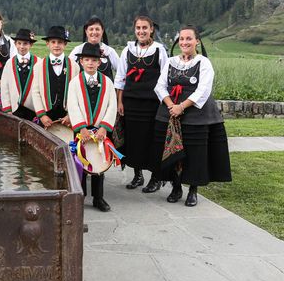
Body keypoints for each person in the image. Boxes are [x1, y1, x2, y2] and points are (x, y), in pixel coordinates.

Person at [151, 26, 231, 206]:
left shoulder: (204, 63)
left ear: (197, 41)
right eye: (181, 39)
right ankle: (176, 187)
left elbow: (203, 90)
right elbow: (160, 86)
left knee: (194, 152)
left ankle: (193, 189)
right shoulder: (171, 62)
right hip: (170, 111)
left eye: (189, 39)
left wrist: (182, 107)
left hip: (196, 113)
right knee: (171, 149)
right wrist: (172, 105)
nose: (184, 42)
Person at [115, 15, 168, 193]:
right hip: (131, 103)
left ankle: (155, 177)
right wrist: (120, 102)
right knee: (133, 140)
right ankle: (138, 175)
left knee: (152, 140)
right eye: (138, 28)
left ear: (151, 29)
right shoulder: (127, 50)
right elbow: (120, 78)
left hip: (152, 104)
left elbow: (165, 79)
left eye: (145, 28)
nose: (141, 31)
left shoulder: (160, 50)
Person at [67, 43, 117, 212]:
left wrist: (104, 127)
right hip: (82, 130)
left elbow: (112, 105)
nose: (90, 63)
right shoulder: (74, 83)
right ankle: (80, 196)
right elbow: (72, 106)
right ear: (81, 61)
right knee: (80, 162)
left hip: (99, 129)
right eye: (87, 59)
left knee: (99, 161)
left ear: (99, 63)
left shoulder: (107, 82)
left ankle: (98, 197)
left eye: (94, 60)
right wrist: (81, 128)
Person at [32, 26, 80, 127]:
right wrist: (42, 115)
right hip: (46, 114)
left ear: (65, 44)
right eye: (53, 42)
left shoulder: (74, 66)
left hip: (67, 116)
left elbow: (77, 94)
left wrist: (70, 115)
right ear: (47, 44)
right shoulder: (39, 66)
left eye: (60, 42)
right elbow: (35, 92)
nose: (56, 45)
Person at [0, 28, 38, 120]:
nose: (22, 46)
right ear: (15, 44)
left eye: (25, 44)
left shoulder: (38, 63)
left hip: (33, 108)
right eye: (19, 43)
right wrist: (7, 108)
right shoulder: (9, 63)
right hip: (14, 108)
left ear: (31, 45)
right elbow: (5, 87)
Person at [69, 16, 119, 82]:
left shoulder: (109, 51)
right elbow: (68, 71)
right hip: (82, 91)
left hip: (106, 91)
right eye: (91, 29)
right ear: (86, 31)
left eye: (97, 29)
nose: (94, 32)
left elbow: (121, 73)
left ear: (102, 31)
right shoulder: (78, 50)